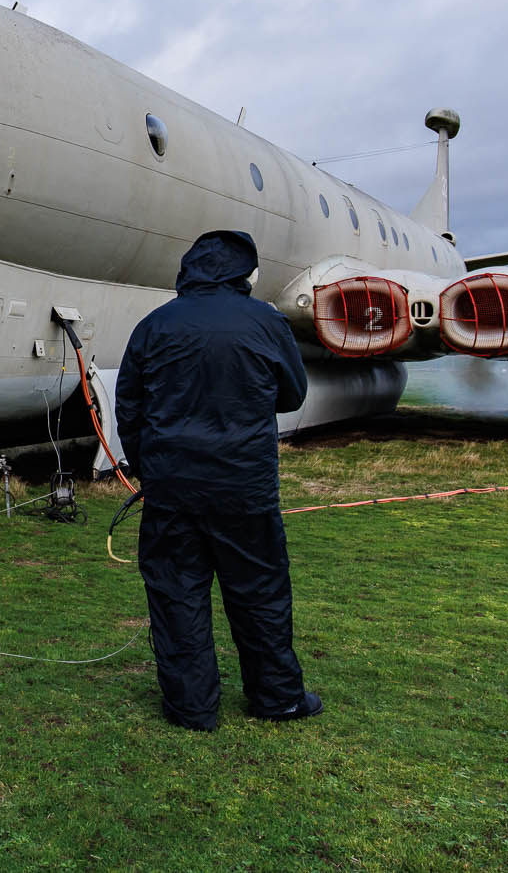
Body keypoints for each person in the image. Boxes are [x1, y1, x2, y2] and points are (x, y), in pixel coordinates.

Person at [115, 229, 320, 731]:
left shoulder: (155, 325)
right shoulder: (266, 322)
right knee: (260, 592)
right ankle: (277, 697)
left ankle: (192, 707)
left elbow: (129, 407)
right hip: (244, 488)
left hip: (172, 487)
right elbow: (293, 394)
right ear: (244, 273)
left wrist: (149, 469)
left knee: (176, 593)